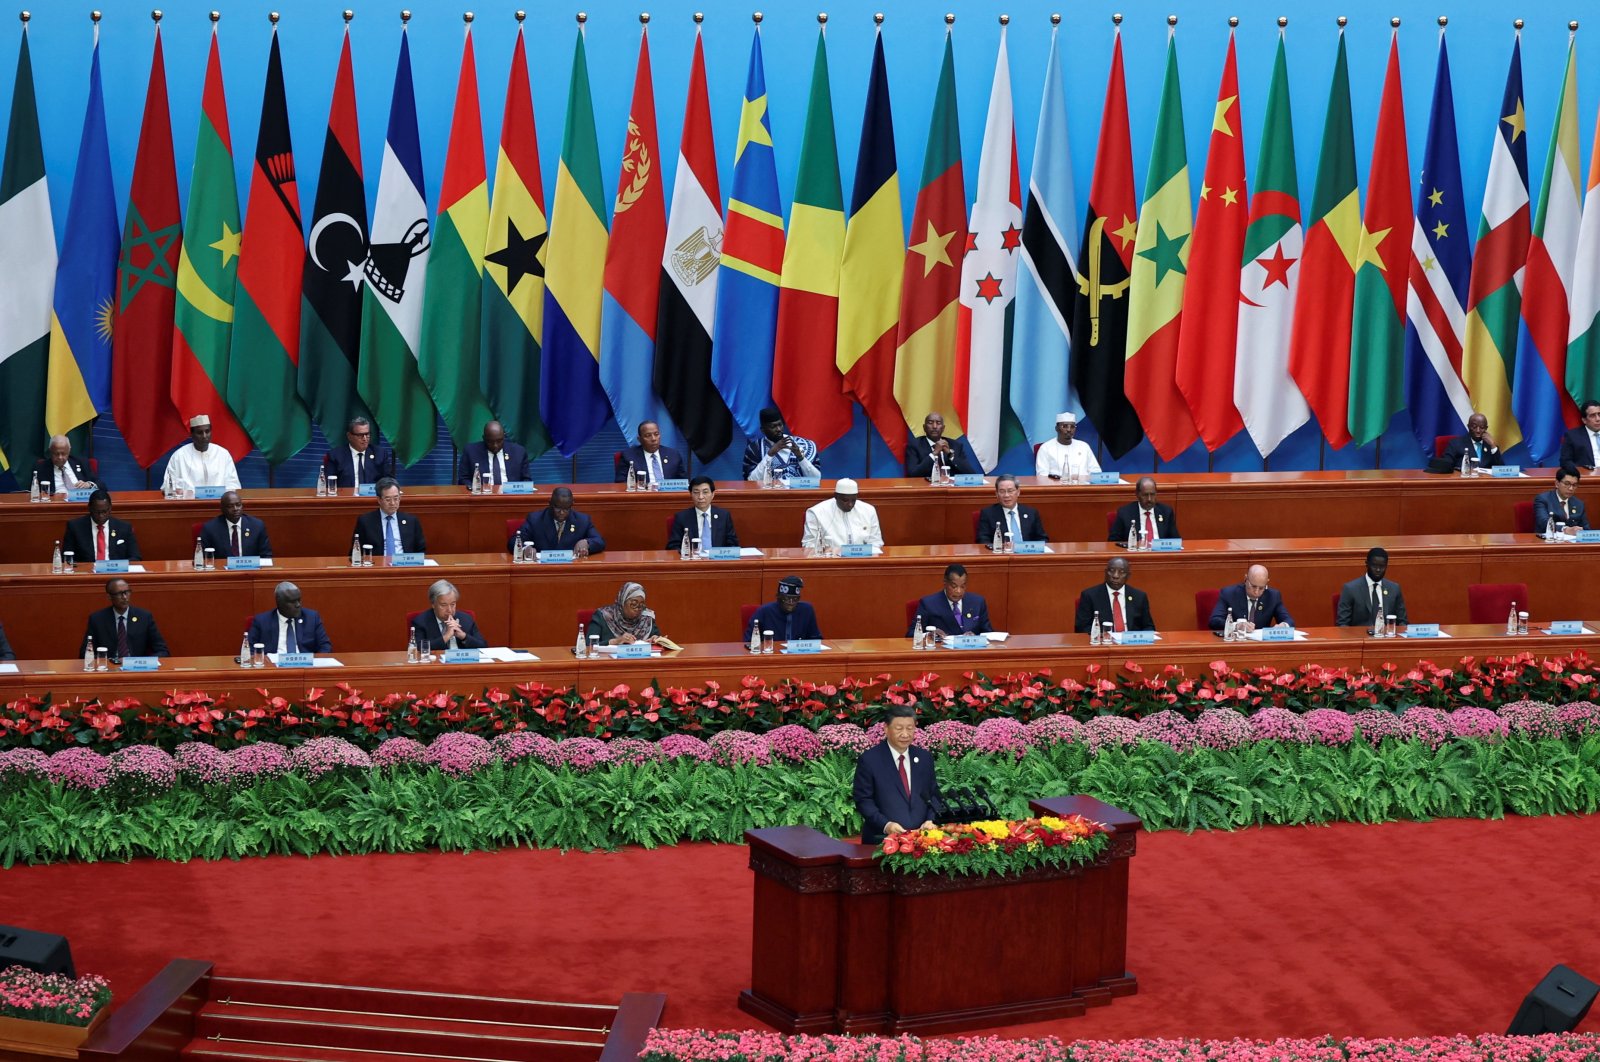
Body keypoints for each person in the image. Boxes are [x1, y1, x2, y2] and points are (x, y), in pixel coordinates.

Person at [852, 704, 941, 844]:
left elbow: (934, 794)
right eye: (899, 729)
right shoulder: (870, 760)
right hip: (882, 841)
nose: (905, 734)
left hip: (921, 841)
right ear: (886, 729)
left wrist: (930, 819)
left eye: (910, 728)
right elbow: (863, 800)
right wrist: (886, 825)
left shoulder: (924, 758)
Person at [81, 578, 170, 661]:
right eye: (119, 593)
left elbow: (163, 651)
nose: (124, 597)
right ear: (109, 596)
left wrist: (142, 662)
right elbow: (85, 653)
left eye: (127, 592)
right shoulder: (97, 619)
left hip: (136, 669)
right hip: (109, 669)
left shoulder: (144, 617)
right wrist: (106, 662)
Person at [160, 414, 241, 494]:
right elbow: (168, 488)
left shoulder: (223, 454)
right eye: (200, 433)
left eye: (207, 431)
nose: (204, 436)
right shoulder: (179, 456)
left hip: (219, 504)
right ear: (192, 434)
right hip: (189, 505)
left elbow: (233, 485)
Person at [910, 563, 992, 640]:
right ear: (945, 583)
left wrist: (976, 638)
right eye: (954, 586)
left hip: (971, 651)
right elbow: (911, 634)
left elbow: (988, 634)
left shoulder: (977, 602)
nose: (958, 591)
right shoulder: (928, 604)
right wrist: (929, 635)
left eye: (962, 586)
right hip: (942, 652)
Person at [1074, 557, 1156, 634]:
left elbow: (1149, 627)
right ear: (1106, 572)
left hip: (1131, 644)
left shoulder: (1139, 596)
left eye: (1122, 572)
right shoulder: (1090, 595)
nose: (1115, 576)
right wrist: (1106, 636)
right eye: (1112, 571)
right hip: (1104, 643)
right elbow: (1081, 628)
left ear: (1128, 575)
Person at [246, 582, 332, 655]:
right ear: (279, 602)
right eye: (292, 601)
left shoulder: (312, 617)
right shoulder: (262, 621)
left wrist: (317, 663)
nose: (298, 605)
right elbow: (250, 649)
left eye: (299, 600)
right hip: (274, 670)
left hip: (305, 668)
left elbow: (325, 646)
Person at [515, 487, 606, 556]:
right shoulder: (535, 519)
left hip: (571, 571)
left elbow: (600, 541)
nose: (562, 513)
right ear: (550, 503)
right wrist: (524, 548)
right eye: (557, 508)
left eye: (566, 509)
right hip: (543, 570)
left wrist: (587, 543)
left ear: (572, 505)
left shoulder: (582, 520)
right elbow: (514, 541)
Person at [1335, 547, 1409, 629]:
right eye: (1374, 565)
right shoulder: (1350, 589)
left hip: (1387, 638)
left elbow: (1402, 622)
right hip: (1360, 638)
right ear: (1367, 564)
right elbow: (1342, 624)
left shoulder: (1394, 589)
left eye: (1382, 566)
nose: (1378, 570)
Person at [801, 479, 882, 552]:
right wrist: (830, 551)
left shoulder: (869, 510)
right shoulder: (816, 512)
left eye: (853, 500)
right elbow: (808, 545)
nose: (850, 504)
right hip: (830, 562)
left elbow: (876, 542)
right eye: (845, 500)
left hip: (863, 561)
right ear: (836, 496)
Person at [744, 407, 820, 483]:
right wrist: (770, 454)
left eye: (780, 425)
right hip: (770, 494)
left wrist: (800, 457)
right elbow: (751, 481)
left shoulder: (803, 445)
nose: (779, 429)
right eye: (773, 426)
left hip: (800, 493)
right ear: (763, 430)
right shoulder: (755, 449)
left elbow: (816, 479)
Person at [1209, 564, 1293, 634]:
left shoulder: (1273, 596)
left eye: (1261, 588)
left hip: (1261, 647)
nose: (1256, 592)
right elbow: (1214, 621)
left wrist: (1284, 625)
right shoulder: (1229, 593)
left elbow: (1288, 620)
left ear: (1267, 582)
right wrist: (1236, 626)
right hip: (1235, 644)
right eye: (1253, 586)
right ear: (1246, 579)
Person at [352, 478, 426, 557]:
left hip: (404, 565)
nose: (393, 503)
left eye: (396, 498)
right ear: (379, 500)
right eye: (388, 499)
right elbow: (356, 552)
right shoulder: (366, 521)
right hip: (378, 566)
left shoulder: (411, 521)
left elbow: (421, 550)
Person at [63, 489, 141, 563]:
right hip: (88, 573)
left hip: (116, 573)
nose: (101, 516)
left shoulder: (124, 527)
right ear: (89, 508)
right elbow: (66, 558)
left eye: (104, 512)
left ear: (110, 508)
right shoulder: (75, 527)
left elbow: (135, 557)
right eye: (97, 512)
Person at [409, 580, 487, 651]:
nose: (449, 610)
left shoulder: (466, 619)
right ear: (433, 604)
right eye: (444, 605)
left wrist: (463, 636)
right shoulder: (420, 622)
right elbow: (418, 649)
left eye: (453, 604)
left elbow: (483, 647)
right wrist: (447, 636)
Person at [323, 416, 396, 489]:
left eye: (367, 434)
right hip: (346, 498)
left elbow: (389, 481)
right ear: (349, 436)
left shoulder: (380, 454)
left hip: (373, 498)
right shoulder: (335, 456)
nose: (365, 439)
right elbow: (329, 484)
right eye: (360, 435)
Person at [667, 476, 739, 550]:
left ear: (713, 494)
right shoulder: (682, 517)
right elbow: (673, 546)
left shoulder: (724, 516)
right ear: (691, 494)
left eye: (705, 492)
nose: (701, 497)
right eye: (696, 492)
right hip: (693, 559)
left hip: (717, 559)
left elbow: (732, 544)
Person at [976, 474, 1048, 546]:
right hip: (1002, 554)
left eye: (1010, 491)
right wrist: (1001, 547)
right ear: (997, 494)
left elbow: (1042, 538)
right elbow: (983, 540)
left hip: (1027, 554)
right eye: (1002, 491)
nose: (1006, 495)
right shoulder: (988, 513)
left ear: (1018, 492)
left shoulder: (1031, 512)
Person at [748, 576, 823, 643]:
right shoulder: (764, 611)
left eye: (795, 599)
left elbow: (816, 640)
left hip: (800, 656)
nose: (791, 602)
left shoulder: (807, 610)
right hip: (770, 656)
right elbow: (748, 642)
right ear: (778, 597)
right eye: (786, 598)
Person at [904, 412, 980, 479]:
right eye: (930, 423)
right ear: (924, 428)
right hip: (927, 491)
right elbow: (912, 474)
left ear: (943, 428)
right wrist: (934, 453)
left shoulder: (955, 445)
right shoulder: (915, 445)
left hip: (951, 491)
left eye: (938, 423)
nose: (934, 426)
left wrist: (950, 455)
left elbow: (971, 474)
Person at [199, 491, 273, 559]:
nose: (235, 509)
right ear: (222, 509)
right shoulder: (210, 528)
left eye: (238, 505)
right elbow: (203, 557)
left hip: (251, 570)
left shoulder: (257, 526)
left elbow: (266, 555)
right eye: (230, 506)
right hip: (223, 571)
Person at [458, 420, 531, 487]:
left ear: (504, 436)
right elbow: (463, 479)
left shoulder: (518, 452)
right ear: (484, 438)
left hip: (511, 497)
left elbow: (526, 480)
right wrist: (476, 489)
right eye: (491, 442)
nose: (495, 445)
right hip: (482, 497)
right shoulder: (471, 451)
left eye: (499, 441)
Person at [1109, 477, 1181, 544]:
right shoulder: (1124, 513)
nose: (1149, 499)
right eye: (1145, 495)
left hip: (1160, 554)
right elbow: (1113, 542)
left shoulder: (1166, 512)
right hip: (1135, 555)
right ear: (1137, 494)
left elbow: (1175, 540)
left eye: (1152, 494)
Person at [587, 581, 662, 645]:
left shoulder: (646, 618)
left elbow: (657, 640)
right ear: (623, 602)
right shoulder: (603, 616)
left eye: (641, 604)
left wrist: (655, 640)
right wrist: (616, 641)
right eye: (634, 603)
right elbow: (589, 645)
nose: (638, 608)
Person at [1034, 411, 1101, 481]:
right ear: (1056, 428)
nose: (1069, 430)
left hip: (1083, 489)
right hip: (1057, 489)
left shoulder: (1084, 446)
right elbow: (1042, 477)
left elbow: (1096, 472)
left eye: (1072, 427)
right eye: (1064, 426)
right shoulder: (1046, 448)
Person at [614, 420, 687, 485]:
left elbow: (684, 482)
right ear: (639, 439)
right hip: (642, 497)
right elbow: (620, 483)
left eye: (656, 434)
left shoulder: (673, 455)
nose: (653, 439)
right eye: (648, 435)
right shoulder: (629, 456)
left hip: (670, 497)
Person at [1439, 413, 1505, 471]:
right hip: (1464, 481)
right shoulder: (1455, 444)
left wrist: (1493, 446)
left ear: (1486, 428)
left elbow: (1501, 469)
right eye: (1474, 427)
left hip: (1485, 482)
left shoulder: (1490, 445)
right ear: (1468, 426)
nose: (1478, 430)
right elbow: (1446, 465)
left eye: (1482, 427)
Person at [1533, 465, 1589, 532]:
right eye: (1567, 484)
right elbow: (1544, 523)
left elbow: (1586, 528)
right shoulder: (1543, 499)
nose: (1571, 488)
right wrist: (1565, 530)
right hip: (1548, 540)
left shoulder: (1578, 503)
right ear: (1557, 483)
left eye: (1574, 485)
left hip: (1572, 541)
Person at [1558, 400, 1600, 470]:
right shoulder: (1572, 436)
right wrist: (1581, 471)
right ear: (1584, 420)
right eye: (1592, 416)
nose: (1598, 419)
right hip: (1588, 478)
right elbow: (1565, 461)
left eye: (1599, 414)